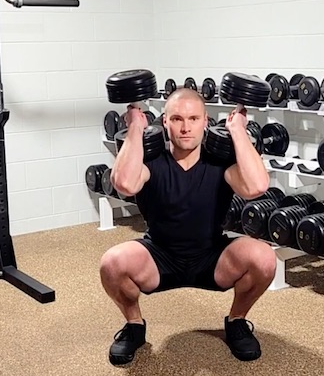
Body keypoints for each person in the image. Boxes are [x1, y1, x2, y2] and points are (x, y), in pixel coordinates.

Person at [99, 88, 277, 366]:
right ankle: (134, 326)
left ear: (206, 121)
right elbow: (124, 184)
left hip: (212, 256)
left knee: (264, 258)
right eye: (177, 119)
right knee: (111, 263)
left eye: (193, 119)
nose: (185, 127)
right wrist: (134, 126)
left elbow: (257, 186)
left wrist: (238, 129)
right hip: (158, 256)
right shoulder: (151, 160)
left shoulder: (220, 162)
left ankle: (237, 321)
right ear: (164, 122)